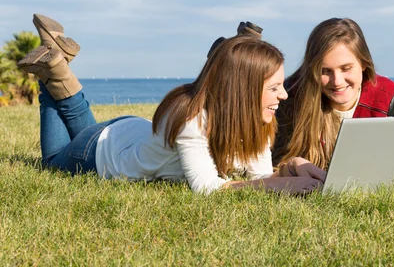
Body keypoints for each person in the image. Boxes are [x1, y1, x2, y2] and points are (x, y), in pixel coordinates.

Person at [18, 14, 325, 194]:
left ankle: (56, 62)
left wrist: (292, 167)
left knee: (82, 131)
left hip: (127, 133)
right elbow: (207, 189)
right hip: (99, 155)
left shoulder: (254, 119)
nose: (283, 96)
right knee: (52, 161)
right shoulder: (194, 119)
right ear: (242, 92)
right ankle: (53, 71)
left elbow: (256, 177)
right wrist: (275, 187)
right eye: (273, 88)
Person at [272, 18, 394, 169]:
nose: (337, 81)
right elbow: (275, 161)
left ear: (364, 63)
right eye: (325, 71)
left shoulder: (385, 96)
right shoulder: (289, 97)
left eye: (346, 68)